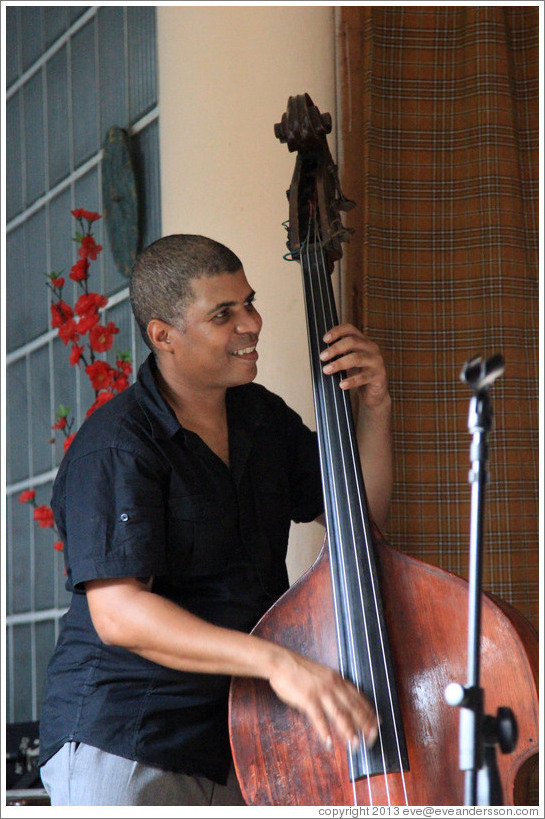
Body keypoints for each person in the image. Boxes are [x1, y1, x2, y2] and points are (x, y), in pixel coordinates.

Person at [38, 234, 393, 806]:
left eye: (248, 302)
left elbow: (357, 526)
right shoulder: (117, 446)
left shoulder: (263, 418)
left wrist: (375, 406)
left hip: (238, 734)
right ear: (163, 337)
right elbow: (120, 615)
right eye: (223, 314)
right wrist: (278, 663)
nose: (251, 323)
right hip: (129, 737)